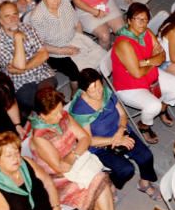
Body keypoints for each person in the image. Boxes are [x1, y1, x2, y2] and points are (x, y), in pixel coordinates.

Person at [28, 86, 135, 210]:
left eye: (59, 110)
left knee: (98, 183)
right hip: (59, 180)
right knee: (100, 182)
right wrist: (76, 153)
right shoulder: (39, 137)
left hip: (78, 166)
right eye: (54, 114)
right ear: (41, 115)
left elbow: (85, 138)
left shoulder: (63, 115)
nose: (59, 116)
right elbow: (60, 167)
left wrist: (74, 154)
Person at [68, 68, 159, 198]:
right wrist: (114, 140)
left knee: (146, 156)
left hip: (119, 132)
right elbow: (88, 140)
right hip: (100, 146)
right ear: (83, 90)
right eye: (92, 90)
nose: (98, 93)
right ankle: (110, 182)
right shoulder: (80, 110)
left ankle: (144, 183)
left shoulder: (106, 92)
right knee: (126, 170)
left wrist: (120, 130)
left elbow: (122, 114)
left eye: (99, 87)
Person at [110, 2, 175, 144]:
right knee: (153, 106)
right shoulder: (123, 43)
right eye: (139, 19)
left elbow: (162, 55)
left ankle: (164, 107)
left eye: (146, 19)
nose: (143, 23)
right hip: (129, 86)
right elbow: (137, 74)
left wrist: (144, 62)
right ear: (129, 20)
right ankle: (144, 125)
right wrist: (152, 61)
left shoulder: (147, 32)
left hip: (150, 74)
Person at [0, 1, 77, 110]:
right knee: (42, 103)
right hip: (20, 83)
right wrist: (17, 38)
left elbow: (44, 54)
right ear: (0, 21)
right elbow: (19, 65)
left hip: (42, 73)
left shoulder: (27, 28)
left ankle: (58, 112)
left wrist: (24, 68)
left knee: (48, 99)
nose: (13, 19)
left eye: (15, 14)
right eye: (7, 16)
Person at [25, 0, 107, 72]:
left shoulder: (64, 1)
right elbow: (42, 45)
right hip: (57, 52)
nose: (56, 1)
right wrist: (64, 50)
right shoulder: (37, 18)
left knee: (102, 58)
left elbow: (77, 23)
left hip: (75, 38)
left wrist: (79, 39)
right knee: (83, 72)